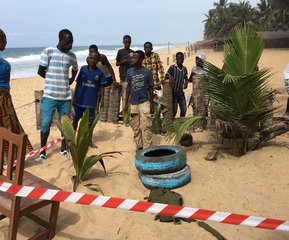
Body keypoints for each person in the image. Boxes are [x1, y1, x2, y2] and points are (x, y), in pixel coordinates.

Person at [35, 29, 78, 162]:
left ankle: (64, 149)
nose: (70, 45)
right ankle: (42, 152)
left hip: (65, 97)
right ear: (60, 40)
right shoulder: (48, 51)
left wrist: (70, 80)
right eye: (68, 42)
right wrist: (51, 81)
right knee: (45, 124)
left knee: (65, 125)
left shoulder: (72, 56)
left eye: (72, 42)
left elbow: (75, 69)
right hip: (49, 96)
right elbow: (41, 71)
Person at [0, 28, 33, 153]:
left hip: (4, 97)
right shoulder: (4, 64)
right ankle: (13, 158)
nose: (6, 42)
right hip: (3, 99)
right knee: (9, 126)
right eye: (4, 39)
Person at [124, 50, 154, 151]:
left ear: (141, 59)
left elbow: (150, 88)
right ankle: (140, 146)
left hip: (144, 102)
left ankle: (147, 148)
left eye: (135, 58)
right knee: (135, 127)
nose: (133, 59)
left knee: (146, 126)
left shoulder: (147, 72)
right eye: (132, 57)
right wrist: (125, 104)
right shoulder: (129, 71)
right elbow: (128, 87)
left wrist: (152, 105)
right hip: (133, 103)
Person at [72, 50, 107, 130]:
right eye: (91, 58)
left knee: (90, 121)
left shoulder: (100, 73)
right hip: (80, 100)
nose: (92, 60)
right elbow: (78, 84)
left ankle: (88, 139)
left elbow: (102, 88)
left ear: (98, 60)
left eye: (95, 59)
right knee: (75, 119)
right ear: (88, 58)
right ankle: (74, 137)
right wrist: (74, 97)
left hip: (91, 102)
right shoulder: (83, 69)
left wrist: (102, 101)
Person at [165, 52, 188, 117]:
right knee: (174, 110)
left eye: (181, 59)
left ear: (183, 59)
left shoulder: (184, 69)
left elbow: (186, 78)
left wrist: (186, 83)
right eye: (178, 59)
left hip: (181, 93)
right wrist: (170, 77)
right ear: (176, 59)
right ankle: (172, 123)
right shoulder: (172, 67)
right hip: (173, 93)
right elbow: (166, 75)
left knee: (184, 109)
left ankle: (181, 123)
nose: (180, 60)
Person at [116, 35, 134, 111]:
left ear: (131, 42)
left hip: (131, 77)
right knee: (124, 95)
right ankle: (124, 111)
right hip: (123, 77)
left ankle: (129, 110)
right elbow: (117, 63)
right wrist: (123, 61)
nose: (127, 44)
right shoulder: (120, 52)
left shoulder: (133, 52)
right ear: (123, 42)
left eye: (129, 42)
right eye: (126, 42)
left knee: (130, 95)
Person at [188, 52, 209, 116]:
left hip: (204, 92)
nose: (196, 62)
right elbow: (190, 80)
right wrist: (192, 74)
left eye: (198, 60)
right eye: (196, 60)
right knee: (196, 107)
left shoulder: (206, 70)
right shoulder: (194, 69)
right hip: (196, 92)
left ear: (203, 61)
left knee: (204, 108)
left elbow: (208, 81)